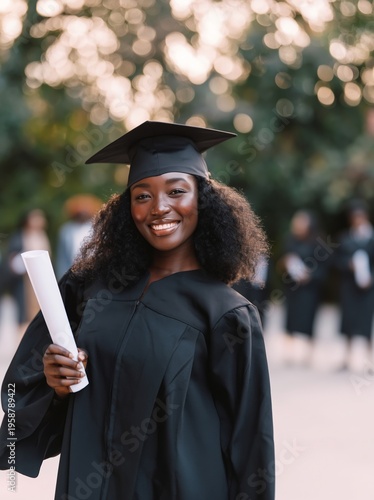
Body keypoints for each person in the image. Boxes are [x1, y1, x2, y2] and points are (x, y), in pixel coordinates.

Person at [0, 121, 275, 500]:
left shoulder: (227, 314)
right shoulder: (89, 289)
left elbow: (251, 445)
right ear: (126, 206)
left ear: (203, 198)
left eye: (177, 191)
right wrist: (57, 386)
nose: (159, 207)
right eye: (142, 195)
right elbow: (20, 399)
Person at [277, 210, 329, 365]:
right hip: (292, 288)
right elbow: (280, 262)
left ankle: (308, 354)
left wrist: (311, 275)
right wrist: (285, 264)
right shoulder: (290, 240)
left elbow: (325, 267)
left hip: (310, 290)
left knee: (309, 319)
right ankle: (289, 353)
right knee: (290, 319)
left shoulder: (318, 242)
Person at [335, 200, 374, 372]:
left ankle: (369, 360)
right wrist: (348, 265)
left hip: (368, 288)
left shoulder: (371, 238)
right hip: (350, 287)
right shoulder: (345, 238)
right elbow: (336, 260)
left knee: (366, 323)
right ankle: (347, 358)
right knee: (349, 322)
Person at [0, 208, 50, 335]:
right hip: (24, 282)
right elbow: (11, 261)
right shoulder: (19, 237)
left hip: (41, 281)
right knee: (24, 314)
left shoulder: (43, 236)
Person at [56, 194, 102, 279]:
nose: (82, 213)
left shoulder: (97, 228)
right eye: (80, 212)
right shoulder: (66, 230)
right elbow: (62, 257)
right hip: (71, 272)